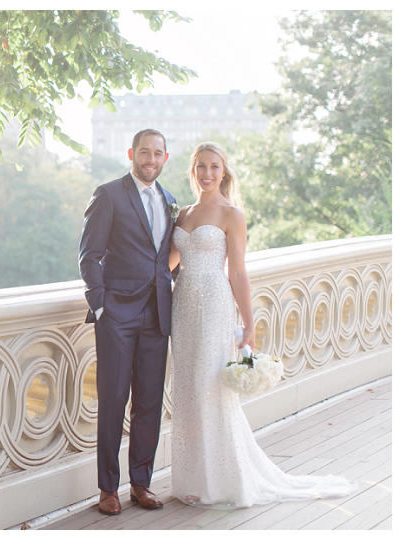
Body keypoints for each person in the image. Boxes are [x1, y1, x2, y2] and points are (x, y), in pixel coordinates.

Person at [168, 141, 357, 508]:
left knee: (212, 386)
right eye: (201, 166)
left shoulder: (231, 214)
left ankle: (223, 479)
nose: (207, 173)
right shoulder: (184, 214)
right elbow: (170, 263)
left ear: (224, 172)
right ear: (193, 171)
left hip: (214, 305)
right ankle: (193, 478)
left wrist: (249, 322)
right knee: (189, 389)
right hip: (183, 304)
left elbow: (237, 272)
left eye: (214, 167)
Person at [79, 129, 178, 515]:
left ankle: (141, 483)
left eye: (157, 153)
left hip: (157, 315)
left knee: (149, 402)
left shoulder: (170, 200)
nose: (150, 159)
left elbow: (166, 257)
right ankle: (107, 489)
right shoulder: (109, 194)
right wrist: (101, 305)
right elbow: (89, 254)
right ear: (131, 154)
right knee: (114, 400)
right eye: (144, 152)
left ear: (165, 158)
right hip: (117, 315)